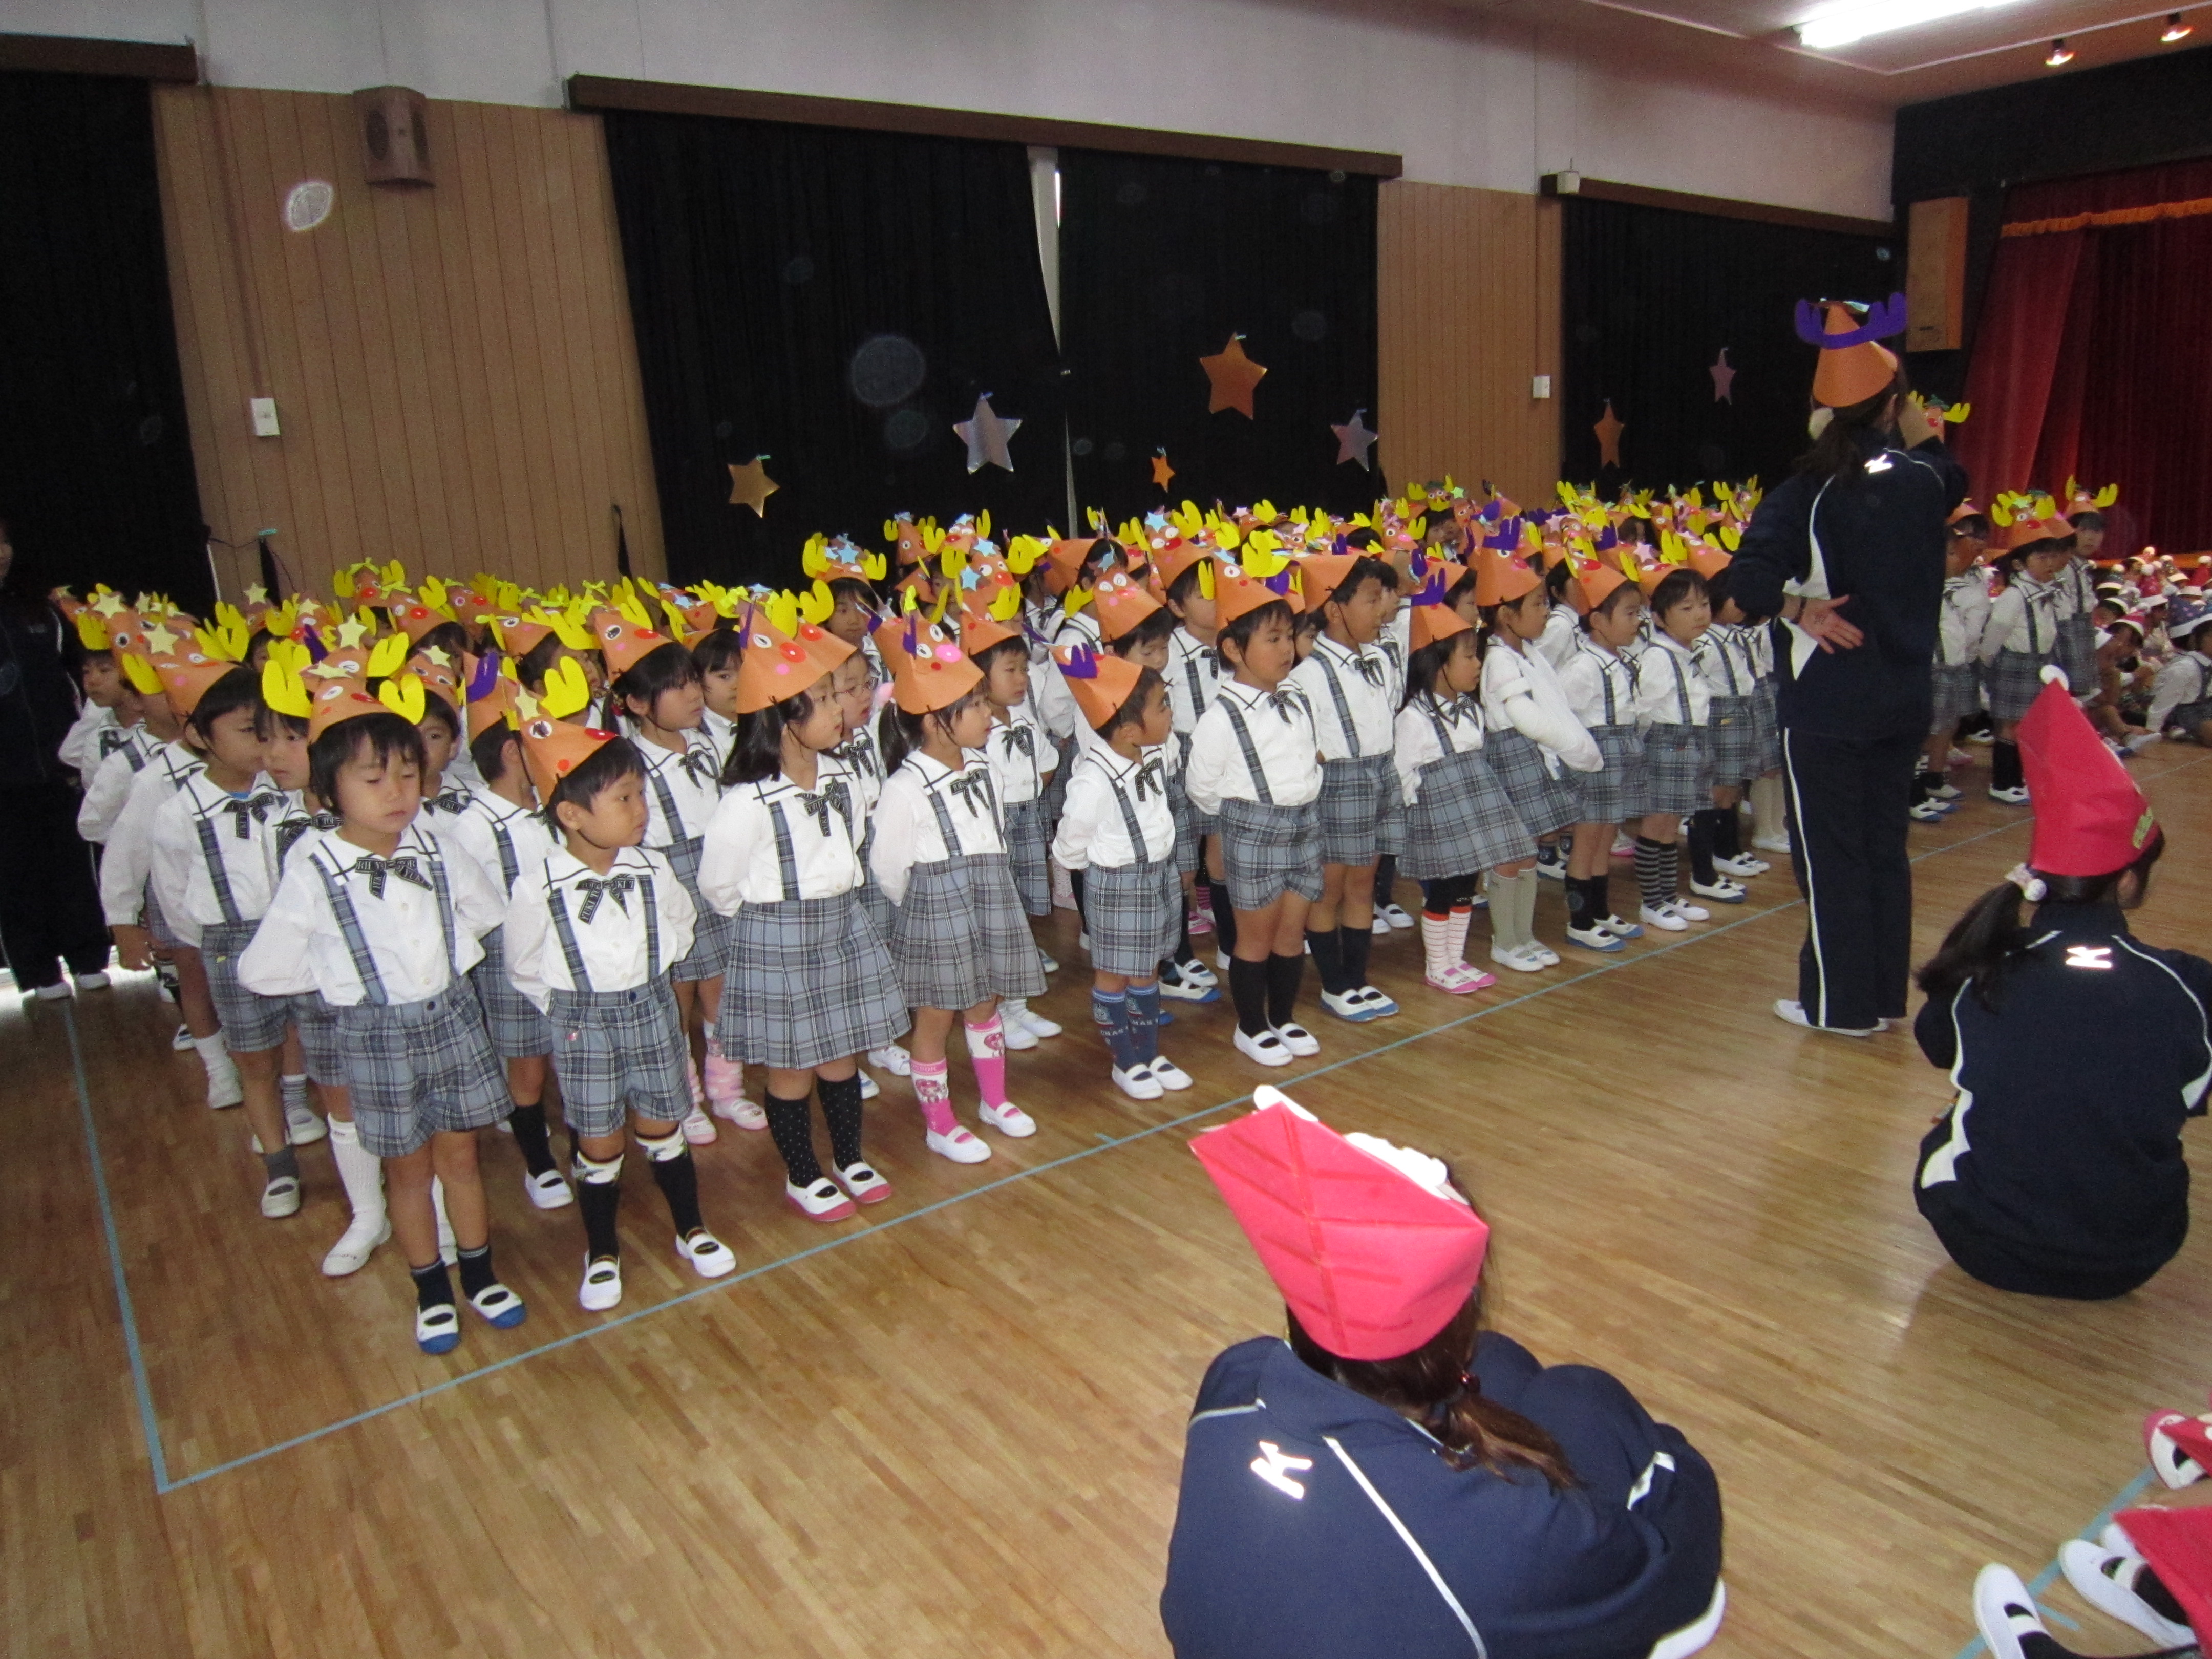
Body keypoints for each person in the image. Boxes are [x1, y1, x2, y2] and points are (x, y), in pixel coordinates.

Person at [1161, 1086, 1726, 1659]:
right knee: (1585, 1397)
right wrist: (1676, 1460)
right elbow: (1680, 1576)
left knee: (1502, 1361)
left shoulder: (1235, 1377)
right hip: (1475, 1558)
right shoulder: (1505, 1532)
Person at [240, 681, 525, 1355]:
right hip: (375, 1034)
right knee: (406, 1170)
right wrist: (343, 981)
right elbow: (264, 969)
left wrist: (444, 961)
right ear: (330, 787)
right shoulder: (314, 865)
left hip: (452, 1018)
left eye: (406, 773)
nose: (397, 790)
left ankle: (480, 1274)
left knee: (461, 1157)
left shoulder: (436, 844)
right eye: (374, 778)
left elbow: (484, 913)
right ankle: (431, 1290)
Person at [1913, 669, 2207, 1299]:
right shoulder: (2185, 984)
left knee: (1959, 1107)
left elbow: (1936, 1042)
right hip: (2132, 1257)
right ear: (2129, 884)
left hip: (1985, 1246)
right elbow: (2192, 1096)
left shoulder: (1983, 968)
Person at [1729, 297, 1967, 1036]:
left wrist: (1800, 611)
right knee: (1882, 852)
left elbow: (1745, 586)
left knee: (1831, 858)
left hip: (1828, 704)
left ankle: (1839, 1007)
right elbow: (1941, 461)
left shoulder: (1802, 494)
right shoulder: (1929, 482)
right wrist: (1905, 409)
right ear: (1894, 406)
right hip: (1902, 697)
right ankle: (1885, 1000)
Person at [503, 713, 735, 1311]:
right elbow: (524, 963)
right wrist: (567, 1008)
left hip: (653, 1009)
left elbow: (681, 929)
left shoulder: (653, 869)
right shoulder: (539, 888)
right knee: (599, 1141)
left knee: (664, 1124)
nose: (641, 809)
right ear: (572, 815)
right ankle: (601, 1249)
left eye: (641, 795)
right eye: (625, 798)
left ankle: (692, 1227)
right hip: (584, 1023)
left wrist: (647, 976)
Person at [700, 612, 905, 1222]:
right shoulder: (746, 802)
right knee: (790, 1066)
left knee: (841, 1055)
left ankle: (848, 1156)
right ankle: (801, 1172)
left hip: (841, 925)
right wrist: (773, 921)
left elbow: (854, 843)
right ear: (783, 720)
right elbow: (719, 886)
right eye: (820, 701)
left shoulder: (843, 777)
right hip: (778, 936)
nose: (839, 710)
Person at [870, 618, 1045, 1161]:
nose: (990, 715)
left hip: (988, 892)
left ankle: (994, 1100)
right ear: (936, 722)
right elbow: (888, 866)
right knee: (934, 1018)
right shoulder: (905, 787)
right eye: (975, 706)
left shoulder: (985, 768)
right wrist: (926, 905)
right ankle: (940, 1123)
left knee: (984, 1000)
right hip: (935, 908)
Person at [144, 657, 310, 1217]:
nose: (265, 747)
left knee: (307, 1037)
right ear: (198, 736)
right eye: (248, 733)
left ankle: (304, 1108)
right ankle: (278, 1161)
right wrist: (220, 942)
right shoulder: (177, 814)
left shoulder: (288, 794)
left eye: (271, 732)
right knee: (254, 1059)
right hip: (230, 941)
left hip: (298, 932)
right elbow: (175, 900)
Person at [1183, 561, 1323, 1068]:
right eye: (1273, 639)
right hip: (1252, 828)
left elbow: (1309, 758)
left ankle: (1283, 1016)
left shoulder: (1297, 701)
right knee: (1256, 936)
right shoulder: (1220, 718)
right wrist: (1243, 816)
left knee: (1292, 931)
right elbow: (1201, 788)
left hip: (1304, 823)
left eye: (1289, 636)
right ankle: (1252, 1025)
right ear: (1234, 649)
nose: (1287, 648)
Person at [440, 670, 570, 1208]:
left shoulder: (552, 809)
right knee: (527, 1065)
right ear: (516, 754)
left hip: (565, 954)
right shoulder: (474, 825)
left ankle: (585, 1144)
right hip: (510, 958)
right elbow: (473, 910)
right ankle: (537, 1161)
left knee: (571, 1053)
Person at [599, 610, 727, 1143]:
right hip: (666, 881)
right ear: (635, 704)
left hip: (716, 870)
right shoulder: (629, 762)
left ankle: (727, 1086)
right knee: (677, 994)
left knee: (722, 990)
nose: (693, 695)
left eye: (693, 681)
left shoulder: (708, 743)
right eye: (675, 688)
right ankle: (687, 1096)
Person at [1050, 647, 1192, 1099]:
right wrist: (1088, 871)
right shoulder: (1093, 779)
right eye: (1163, 707)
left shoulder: (1150, 754)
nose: (1171, 714)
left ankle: (1148, 1050)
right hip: (1118, 885)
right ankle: (1125, 1060)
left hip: (1157, 876)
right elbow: (1070, 841)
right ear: (1130, 728)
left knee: (1146, 969)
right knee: (1113, 973)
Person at [1391, 562, 1522, 991]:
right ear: (1436, 663)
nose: (1478, 664)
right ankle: (1437, 964)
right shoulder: (1414, 718)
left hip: (1474, 811)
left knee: (1467, 886)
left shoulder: (1470, 711)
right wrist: (1416, 810)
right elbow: (1403, 771)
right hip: (1439, 818)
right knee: (1443, 892)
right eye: (1468, 656)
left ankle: (1457, 958)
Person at [1287, 550, 1405, 1024]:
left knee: (1365, 880)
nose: (1382, 609)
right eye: (1371, 599)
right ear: (1335, 609)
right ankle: (1335, 984)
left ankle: (1358, 978)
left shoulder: (1378, 658)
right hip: (1340, 781)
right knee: (1329, 887)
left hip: (1379, 772)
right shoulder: (1308, 674)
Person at [0, 520, 113, 998]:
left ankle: (89, 956)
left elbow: (81, 679)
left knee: (73, 862)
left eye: (3, 540)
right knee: (15, 872)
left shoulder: (41, 610)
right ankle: (39, 970)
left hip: (58, 767)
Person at [1477, 549, 1600, 971]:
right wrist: (1575, 746)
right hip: (1510, 757)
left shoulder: (1528, 653)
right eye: (1537, 605)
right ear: (1506, 615)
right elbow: (1524, 715)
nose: (1545, 612)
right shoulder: (1497, 659)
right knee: (1509, 853)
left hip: (1530, 757)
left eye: (1546, 602)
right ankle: (1505, 940)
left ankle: (1524, 935)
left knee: (1527, 852)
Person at [1555, 561, 1652, 951]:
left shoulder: (1620, 662)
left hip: (1621, 753)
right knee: (1587, 839)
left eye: (1639, 613)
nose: (1638, 622)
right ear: (1597, 620)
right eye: (1630, 614)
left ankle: (1599, 910)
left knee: (1607, 834)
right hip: (1594, 759)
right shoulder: (1581, 667)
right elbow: (1565, 719)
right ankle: (1580, 921)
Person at [1629, 567, 1733, 928]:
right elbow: (1643, 709)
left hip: (1690, 742)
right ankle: (1651, 901)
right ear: (1659, 618)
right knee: (1656, 824)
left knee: (1672, 825)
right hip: (1666, 744)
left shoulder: (1688, 652)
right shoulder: (1658, 657)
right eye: (1686, 608)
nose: (1700, 614)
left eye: (1703, 604)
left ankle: (1668, 895)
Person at [1978, 504, 2074, 805]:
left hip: (2040, 663)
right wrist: (1986, 665)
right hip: (2015, 664)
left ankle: (2020, 778)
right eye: (2041, 557)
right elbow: (1995, 634)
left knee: (2031, 724)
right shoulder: (2013, 596)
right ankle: (2003, 782)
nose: (2049, 563)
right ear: (2019, 565)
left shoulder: (2048, 592)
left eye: (2052, 557)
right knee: (2010, 724)